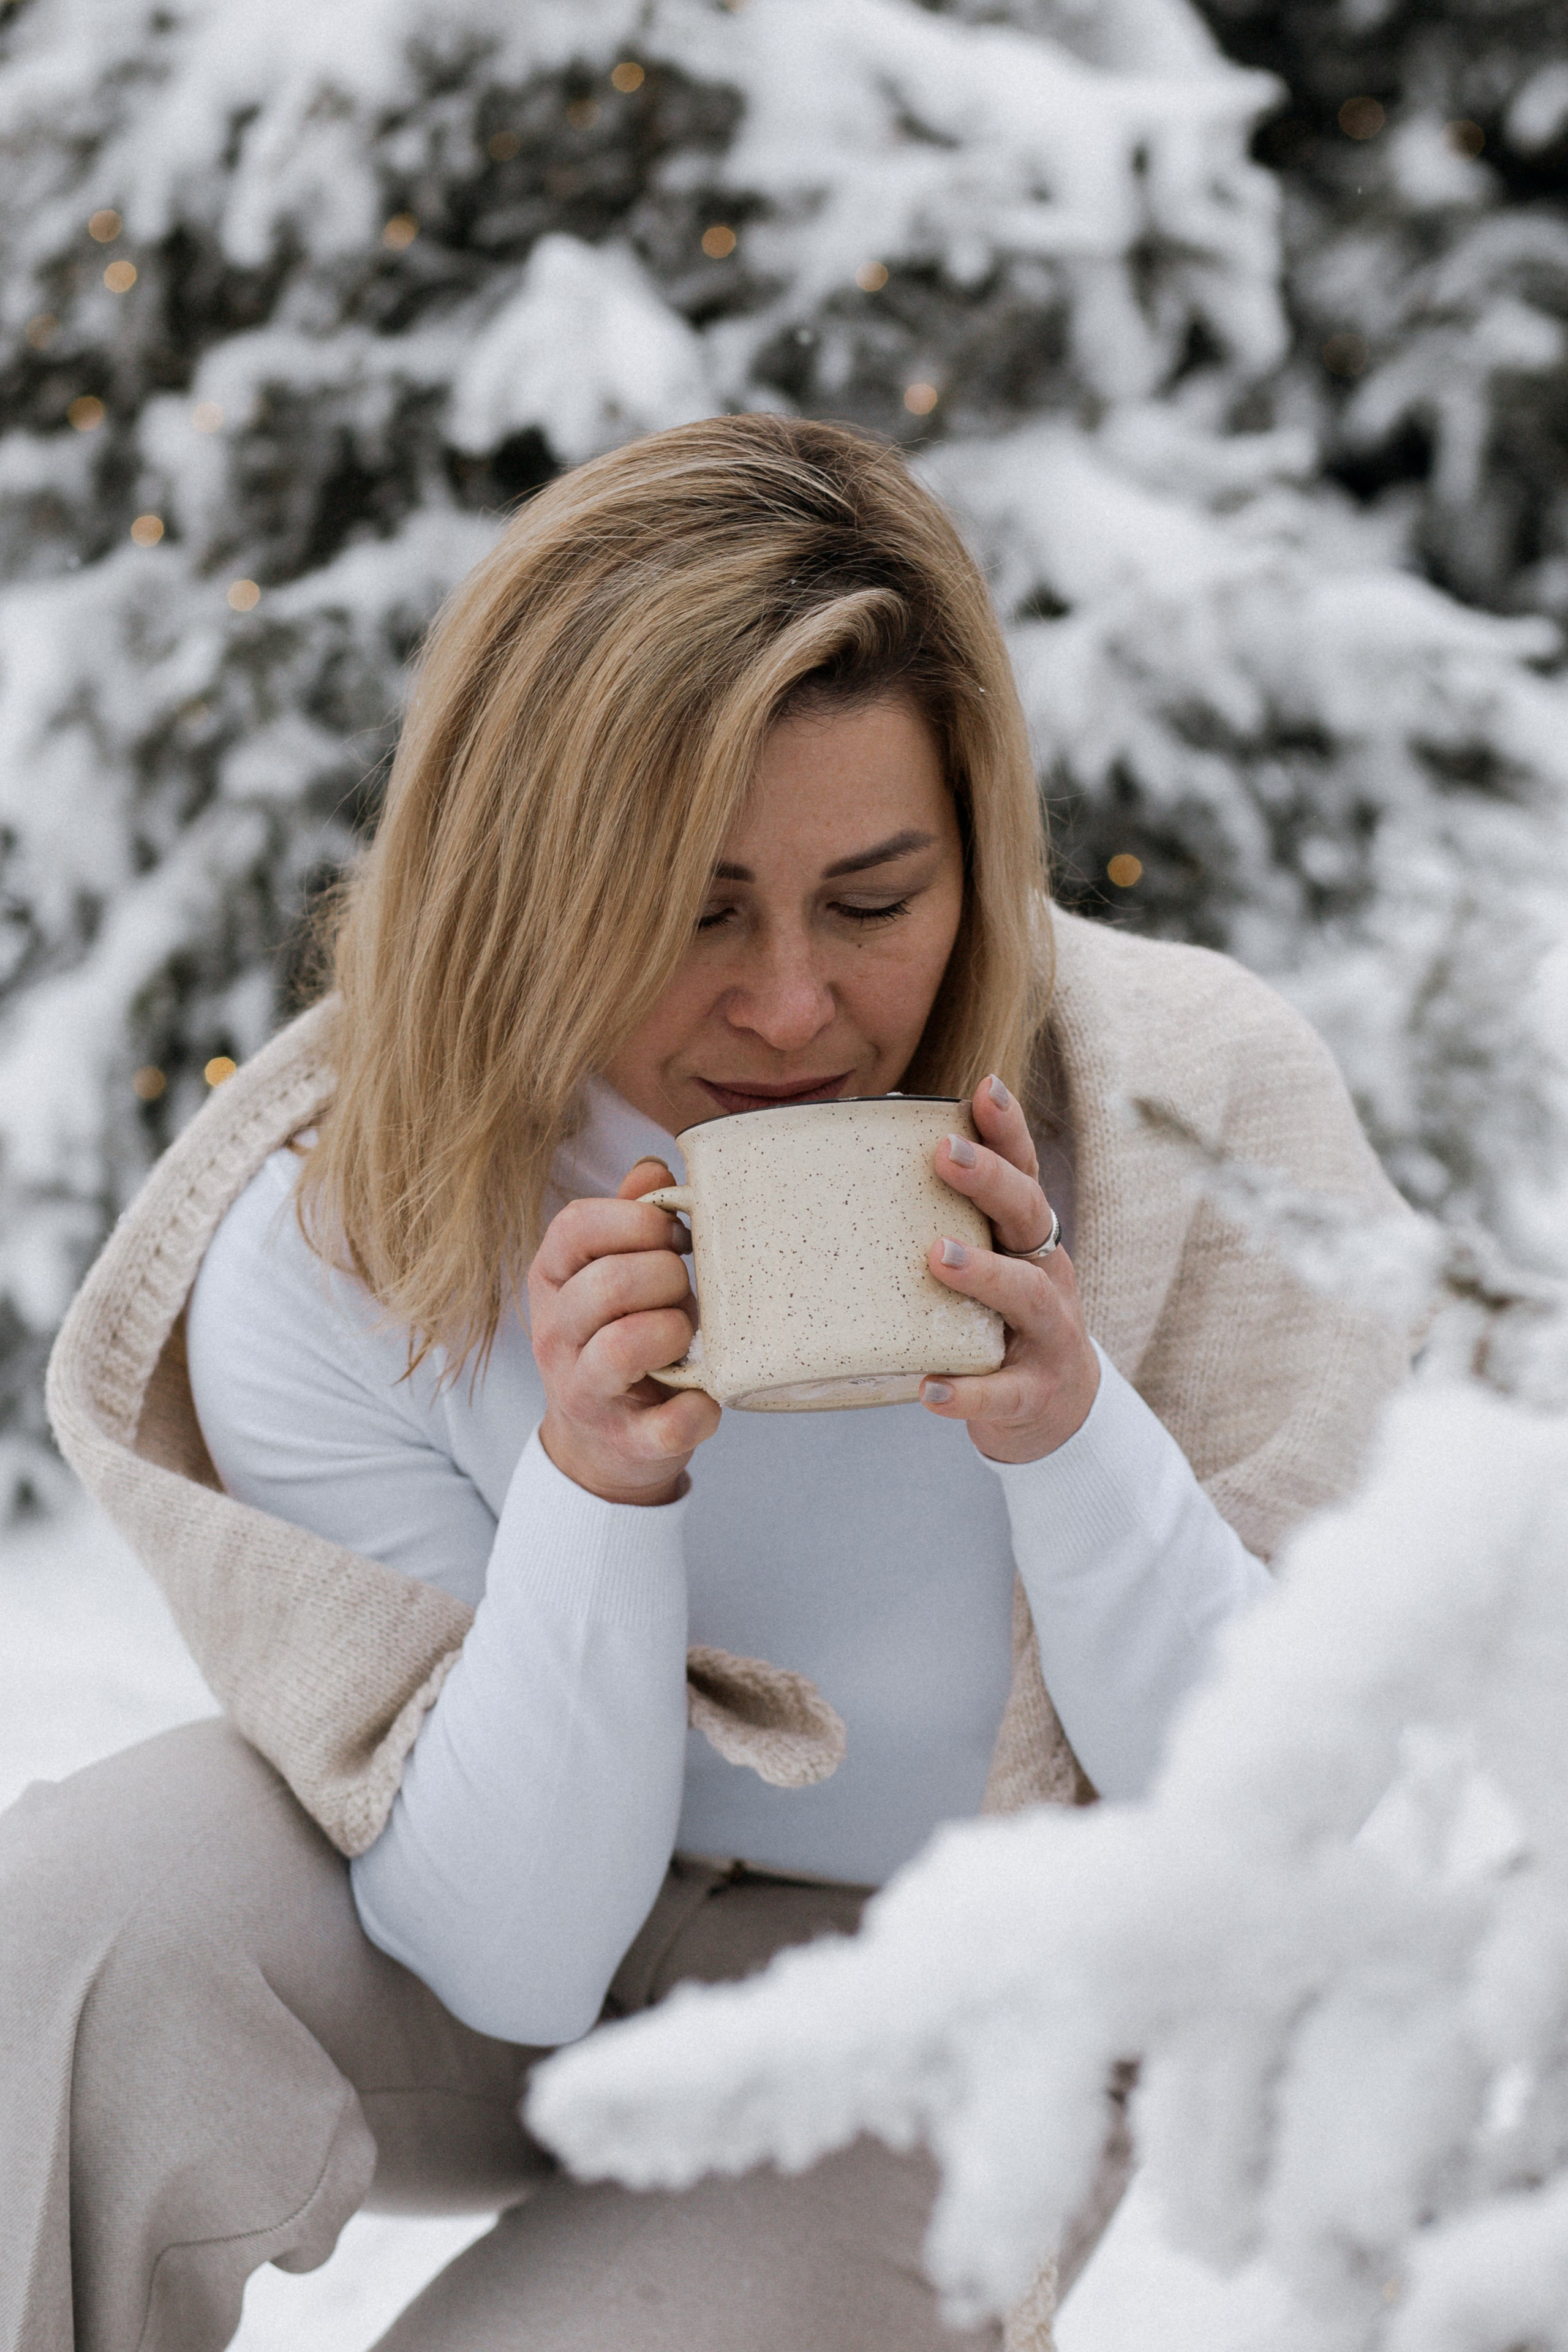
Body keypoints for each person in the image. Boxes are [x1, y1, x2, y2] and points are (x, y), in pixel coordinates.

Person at [8, 415, 1412, 2352]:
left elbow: (1271, 1821)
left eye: (874, 899)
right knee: (64, 1928)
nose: (787, 1007)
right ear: (526, 877)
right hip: (495, 1938)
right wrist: (596, 1491)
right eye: (687, 908)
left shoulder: (1182, 1121)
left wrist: (1075, 1440)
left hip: (947, 1985)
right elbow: (505, 1953)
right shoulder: (348, 1214)